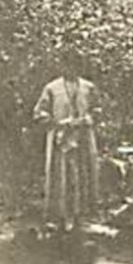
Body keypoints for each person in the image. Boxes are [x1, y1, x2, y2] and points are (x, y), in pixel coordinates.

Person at [32, 52, 101, 229]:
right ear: (61, 66)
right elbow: (39, 112)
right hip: (60, 138)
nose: (70, 68)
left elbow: (98, 109)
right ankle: (60, 216)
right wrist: (56, 123)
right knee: (61, 175)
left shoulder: (88, 87)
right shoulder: (52, 88)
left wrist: (88, 119)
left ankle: (81, 215)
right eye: (67, 64)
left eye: (75, 64)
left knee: (82, 173)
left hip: (83, 136)